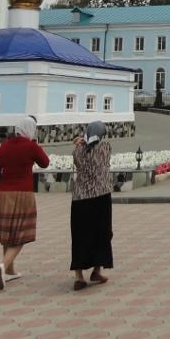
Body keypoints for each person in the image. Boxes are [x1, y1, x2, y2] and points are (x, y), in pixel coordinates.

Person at [0, 115, 49, 290]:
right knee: (21, 233)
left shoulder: (4, 146)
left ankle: (10, 271)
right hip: (23, 194)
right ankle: (3, 265)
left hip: (3, 194)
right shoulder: (31, 146)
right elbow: (45, 163)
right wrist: (35, 145)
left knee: (8, 232)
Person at [70, 121, 114, 291]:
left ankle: (79, 276)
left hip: (80, 199)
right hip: (101, 196)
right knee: (102, 233)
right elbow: (100, 147)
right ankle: (96, 270)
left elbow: (81, 155)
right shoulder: (105, 147)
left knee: (80, 235)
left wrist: (80, 143)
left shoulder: (77, 151)